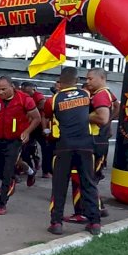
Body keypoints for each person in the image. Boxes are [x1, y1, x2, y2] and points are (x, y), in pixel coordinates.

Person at [45, 67, 104, 235]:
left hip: (64, 146)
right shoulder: (87, 95)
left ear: (60, 82)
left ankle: (56, 223)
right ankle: (95, 223)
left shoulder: (54, 99)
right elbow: (99, 113)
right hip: (86, 145)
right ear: (77, 81)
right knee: (88, 183)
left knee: (59, 186)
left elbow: (48, 114)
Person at [66, 68, 119, 222]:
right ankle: (99, 207)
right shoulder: (106, 93)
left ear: (101, 78)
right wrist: (109, 121)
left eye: (90, 79)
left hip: (95, 142)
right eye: (86, 79)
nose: (87, 82)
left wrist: (82, 117)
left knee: (85, 178)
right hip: (99, 140)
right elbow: (117, 107)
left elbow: (102, 118)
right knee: (90, 178)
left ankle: (83, 213)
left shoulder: (101, 94)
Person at [0, 76, 40, 215]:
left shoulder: (24, 99)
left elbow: (37, 118)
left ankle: (2, 203)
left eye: (3, 89)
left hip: (15, 140)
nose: (0, 92)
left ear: (12, 87)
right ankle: (30, 172)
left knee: (8, 170)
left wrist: (27, 132)